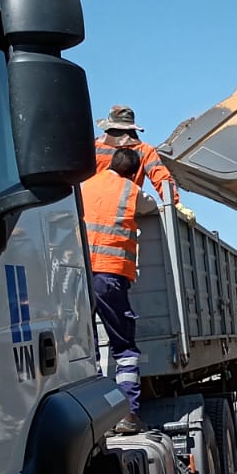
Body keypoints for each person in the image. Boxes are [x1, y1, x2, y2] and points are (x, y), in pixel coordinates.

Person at [83, 147, 147, 434]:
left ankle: (96, 417)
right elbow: (151, 207)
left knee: (88, 350)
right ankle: (129, 414)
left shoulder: (84, 186)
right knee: (125, 349)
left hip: (78, 275)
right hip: (110, 276)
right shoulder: (131, 191)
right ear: (133, 173)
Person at [95, 104, 182, 204]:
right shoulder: (144, 150)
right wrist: (175, 203)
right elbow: (162, 179)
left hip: (93, 204)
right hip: (126, 206)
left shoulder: (94, 148)